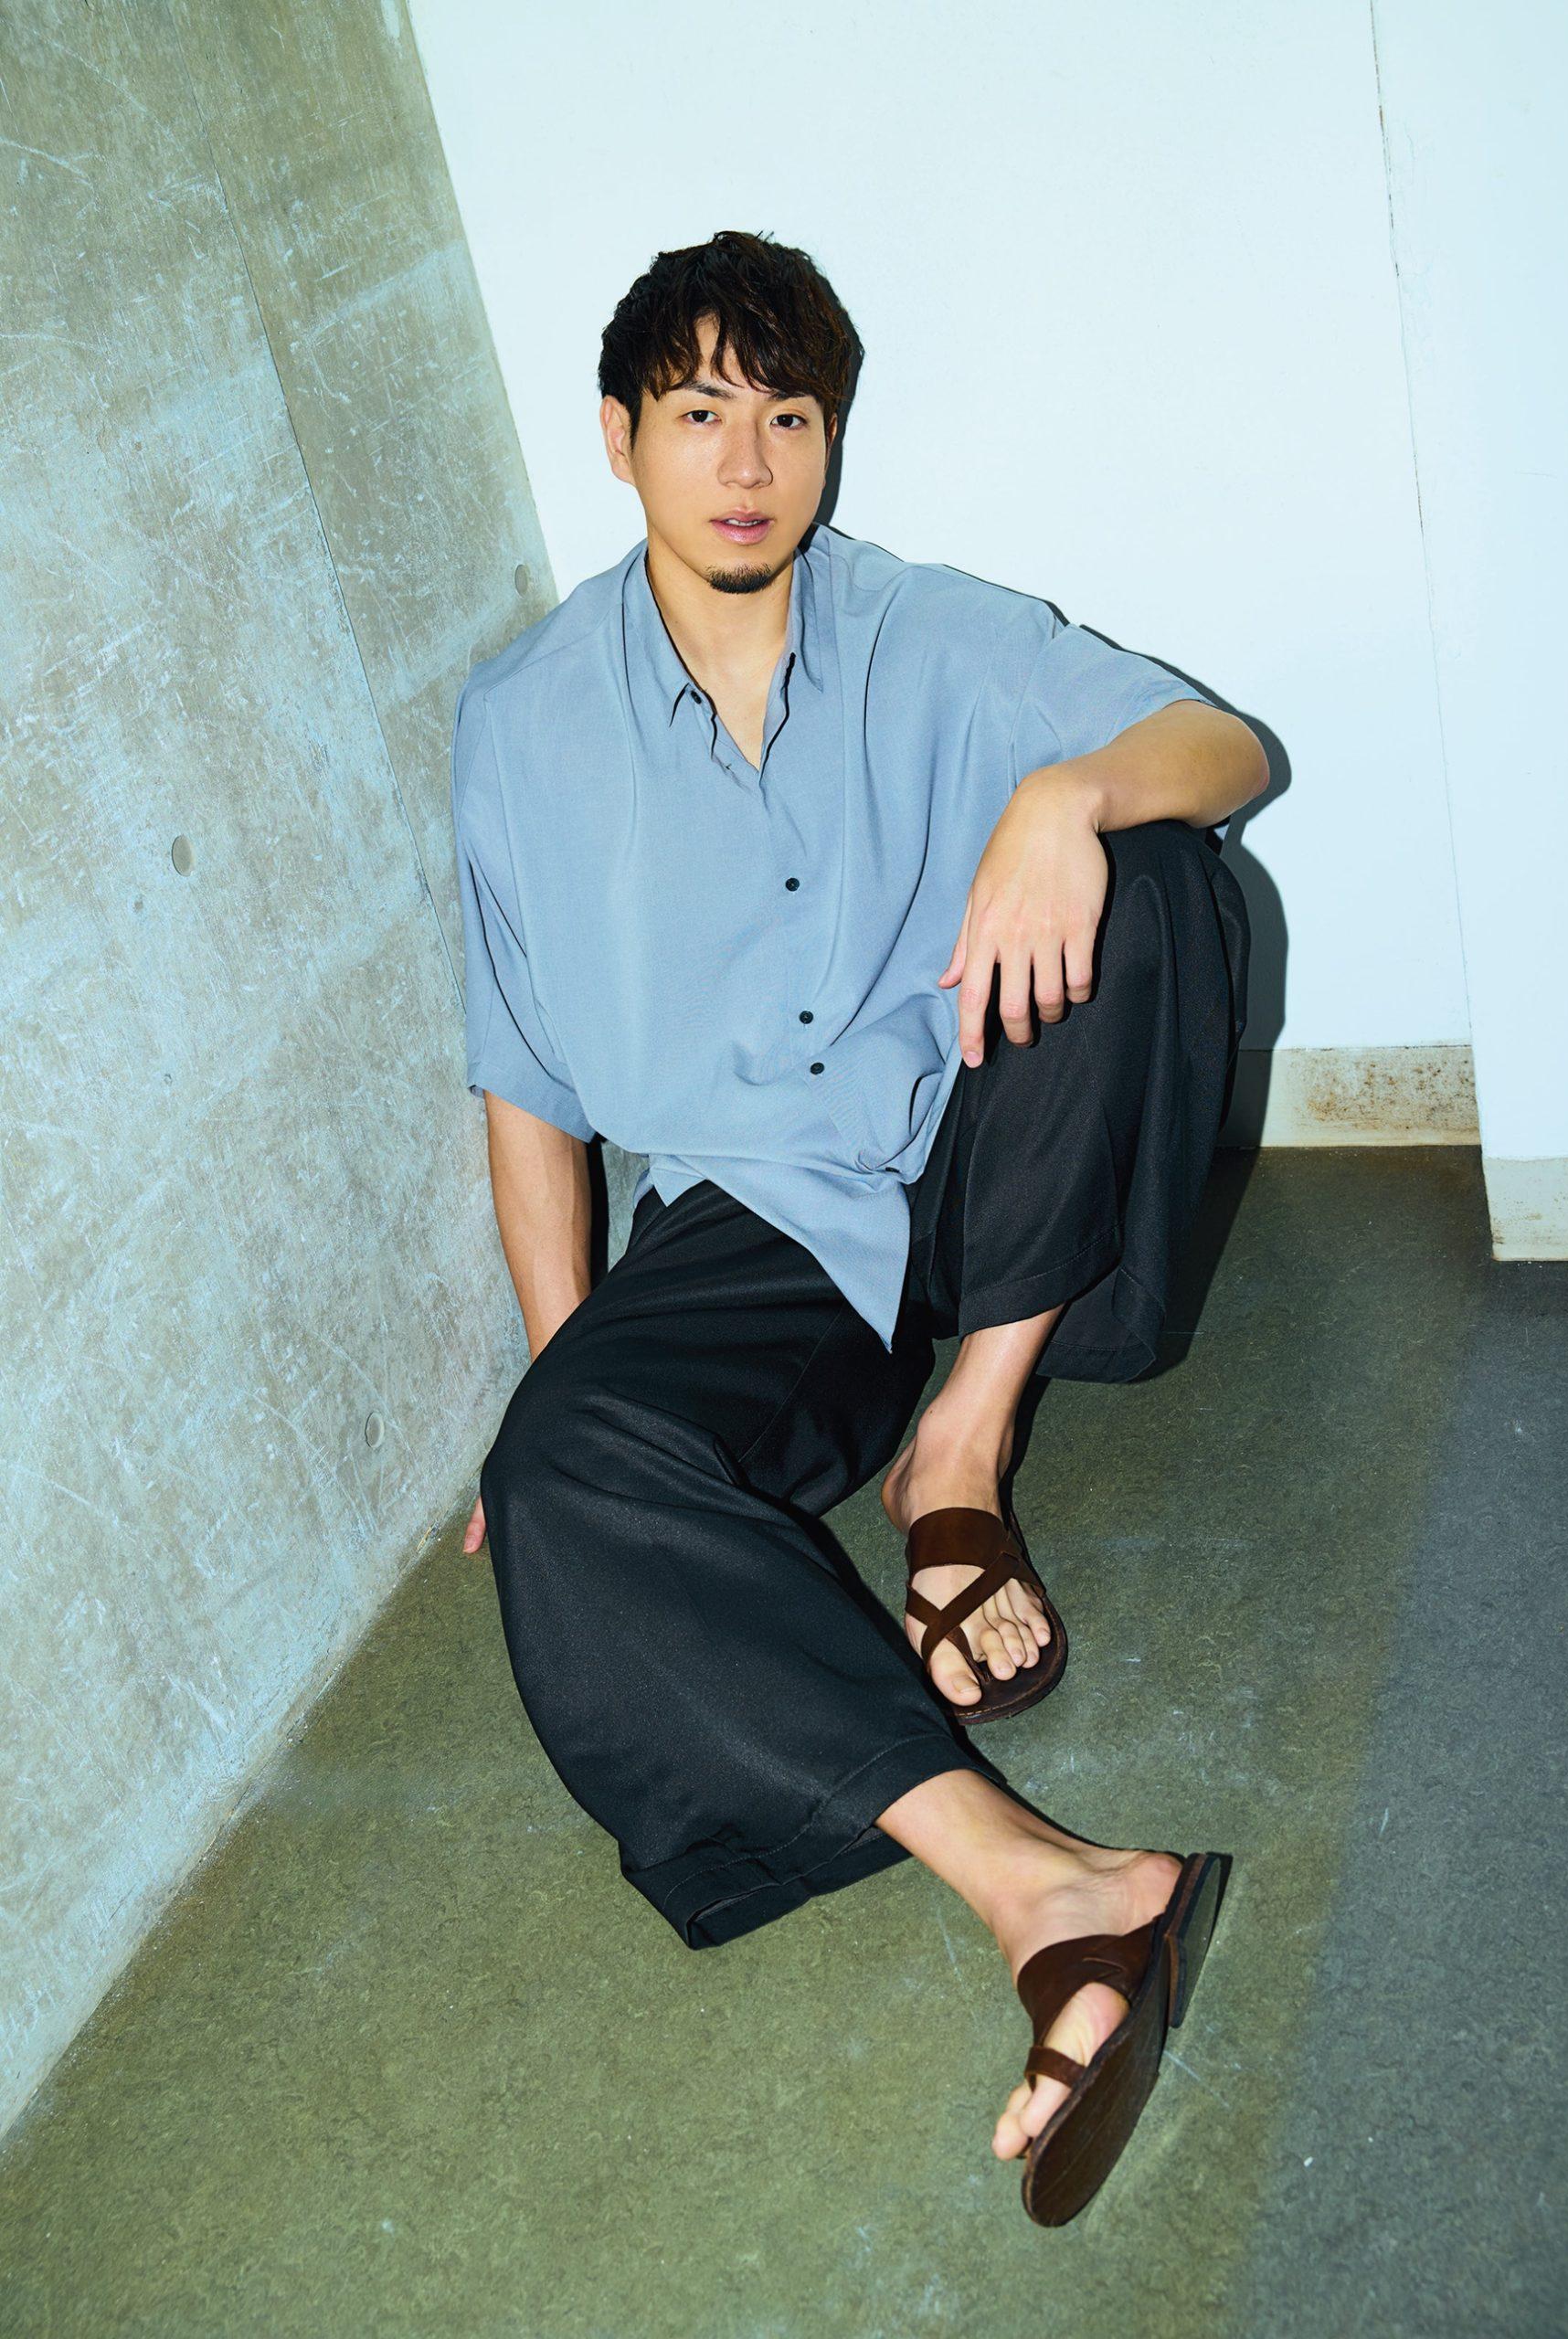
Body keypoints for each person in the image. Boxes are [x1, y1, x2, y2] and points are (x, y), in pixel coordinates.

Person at [449, 229, 1263, 2226]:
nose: (747, 464)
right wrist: (571, 1392)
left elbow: (1226, 747)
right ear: (620, 439)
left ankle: (956, 1453)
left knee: (1161, 872)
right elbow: (525, 1077)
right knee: (556, 1476)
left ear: (829, 437)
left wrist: (1066, 796)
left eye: (787, 416)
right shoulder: (521, 723)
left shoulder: (918, 629)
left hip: (998, 1175)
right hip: (766, 1227)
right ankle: (1047, 1888)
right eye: (698, 413)